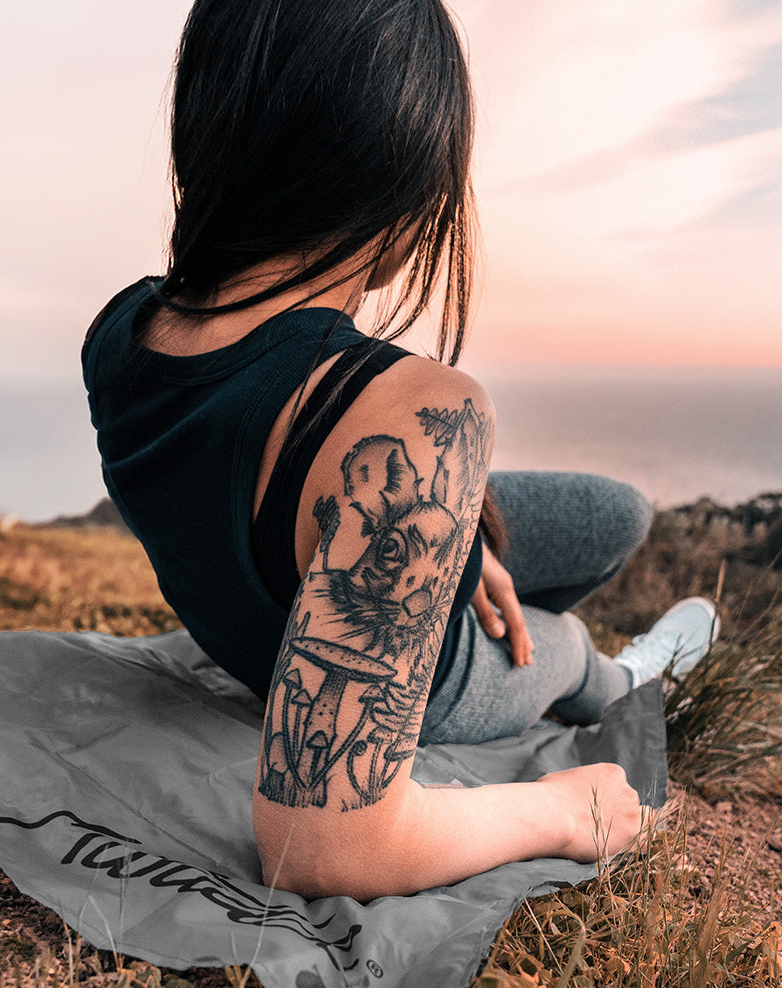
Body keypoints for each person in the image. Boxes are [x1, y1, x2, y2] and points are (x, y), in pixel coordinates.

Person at [82, 0, 718, 901]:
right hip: (415, 678)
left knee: (616, 515)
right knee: (565, 645)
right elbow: (320, 848)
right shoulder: (405, 407)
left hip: (260, 604)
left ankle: (466, 581)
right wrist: (566, 811)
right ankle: (623, 677)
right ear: (398, 177)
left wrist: (469, 540)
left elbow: (243, 474)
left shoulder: (122, 330)